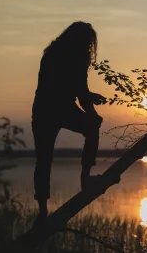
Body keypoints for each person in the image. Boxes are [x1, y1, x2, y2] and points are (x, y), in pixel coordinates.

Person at [31, 21, 105, 227]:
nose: (89, 45)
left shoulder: (54, 54)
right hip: (54, 109)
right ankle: (84, 178)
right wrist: (92, 114)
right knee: (45, 158)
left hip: (47, 110)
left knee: (43, 159)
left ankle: (43, 211)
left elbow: (78, 91)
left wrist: (91, 103)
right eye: (87, 41)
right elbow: (78, 91)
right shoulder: (71, 57)